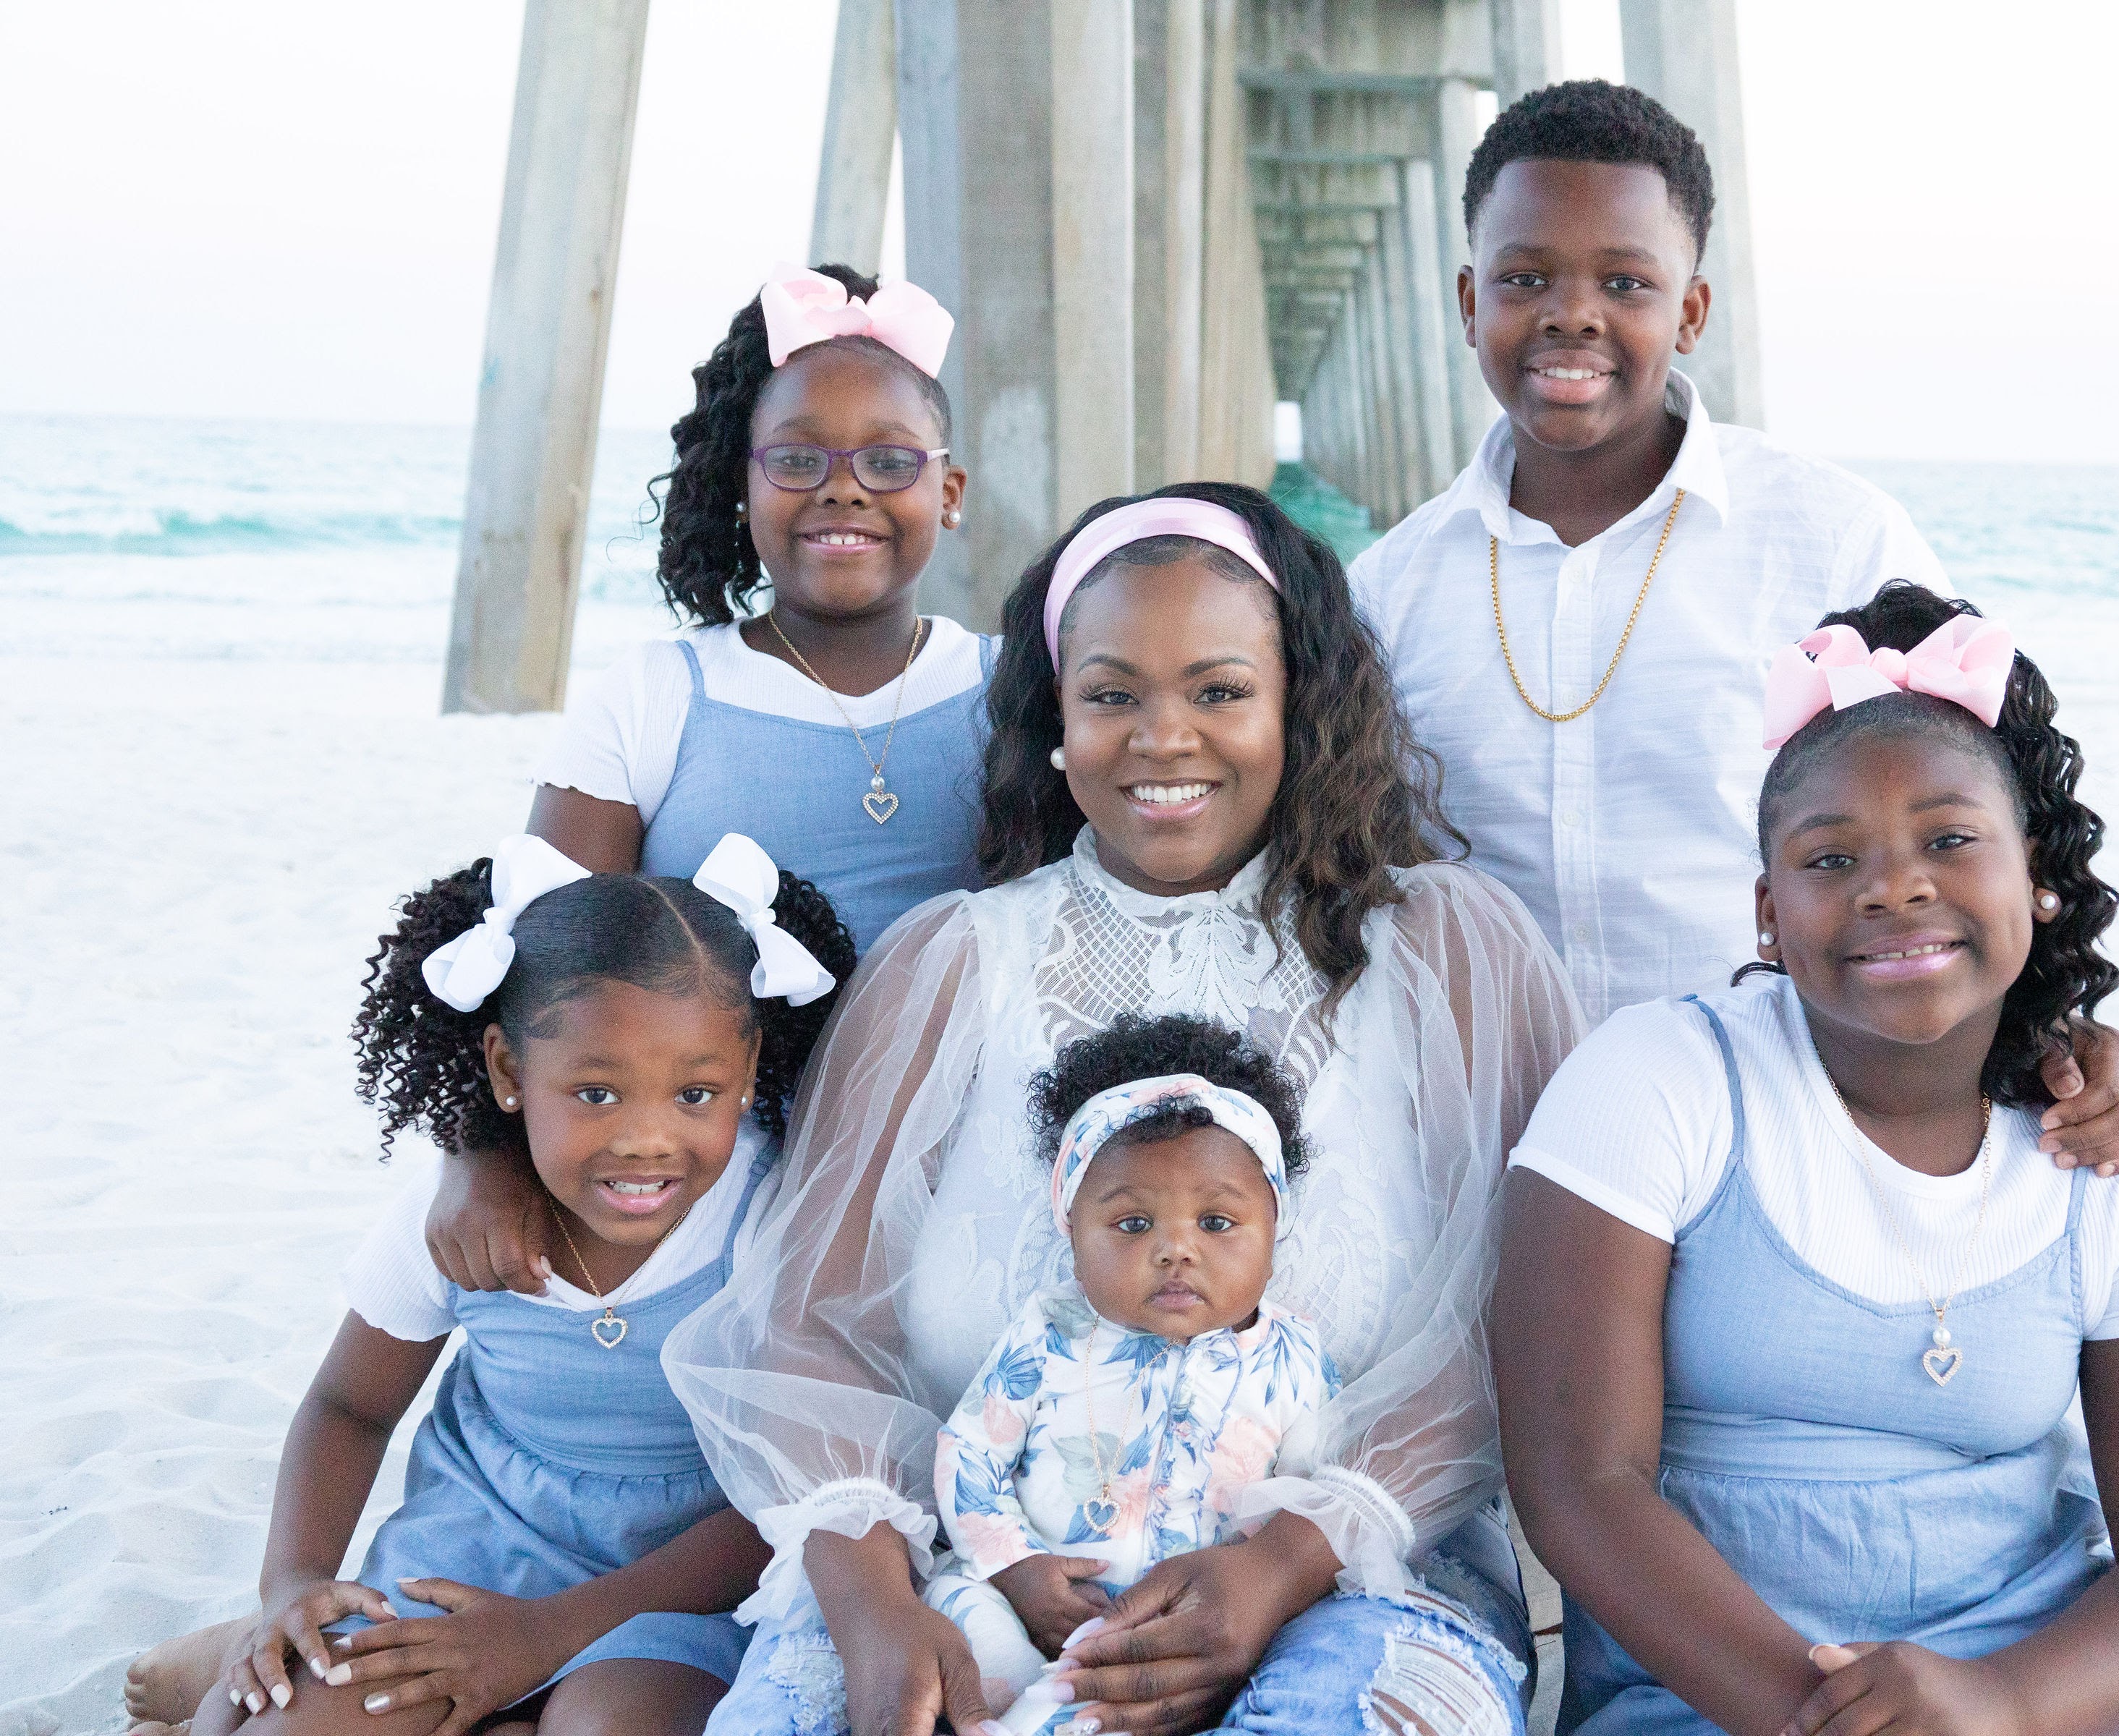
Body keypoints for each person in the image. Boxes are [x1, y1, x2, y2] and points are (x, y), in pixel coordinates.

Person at [667, 482, 1583, 1736]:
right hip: (967, 1581)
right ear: (1056, 720)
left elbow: (1527, 1325)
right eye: (1113, 695)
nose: (1165, 738)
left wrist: (1286, 1559)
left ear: (1298, 707)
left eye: (1217, 691)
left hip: (1360, 1578)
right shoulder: (951, 964)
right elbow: (804, 1333)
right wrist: (880, 1608)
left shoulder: (1446, 953)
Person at [1495, 583, 2119, 1736]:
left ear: (2039, 879)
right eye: (1832, 860)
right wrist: (1831, 1723)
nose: (1894, 885)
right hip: (1729, 1696)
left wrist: (2002, 1706)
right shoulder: (1662, 1083)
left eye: (1949, 840)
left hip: (2045, 1688)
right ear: (1769, 915)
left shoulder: (2097, 1166)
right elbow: (1581, 1484)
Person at [1346, 81, 2119, 1173]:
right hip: (1487, 1144)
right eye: (1524, 278)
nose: (1571, 315)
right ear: (1467, 301)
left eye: (1625, 282)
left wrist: (2060, 1025)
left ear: (1689, 312)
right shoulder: (1388, 592)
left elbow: (1987, 804)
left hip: (1779, 1126)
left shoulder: (1834, 541)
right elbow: (1342, 872)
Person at [171, 833, 859, 1736]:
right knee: (292, 1723)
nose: (647, 1140)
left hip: (672, 1597)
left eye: (694, 1094)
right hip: (469, 1558)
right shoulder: (460, 1222)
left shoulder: (775, 1223)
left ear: (747, 1073)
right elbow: (348, 1406)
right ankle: (211, 1680)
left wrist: (545, 1637)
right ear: (507, 1071)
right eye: (597, 1094)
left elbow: (779, 1496)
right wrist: (292, 1584)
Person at [423, 260, 993, 1302]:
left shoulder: (1013, 689)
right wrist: (482, 1154)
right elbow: (533, 951)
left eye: (888, 459)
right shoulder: (658, 694)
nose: (844, 485)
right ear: (742, 481)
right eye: (797, 458)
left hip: (959, 1171)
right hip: (712, 1177)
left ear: (948, 492)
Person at [924, 1016, 1339, 1734]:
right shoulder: (1048, 1337)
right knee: (965, 1622)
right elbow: (970, 1456)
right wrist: (1015, 1569)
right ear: (1072, 1229)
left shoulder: (1295, 1363)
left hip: (1195, 1630)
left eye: (1216, 1223)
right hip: (1028, 1593)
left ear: (1274, 1230)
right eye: (1132, 1225)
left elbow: (1317, 1494)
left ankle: (1049, 1715)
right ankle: (1014, 1702)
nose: (1176, 1250)